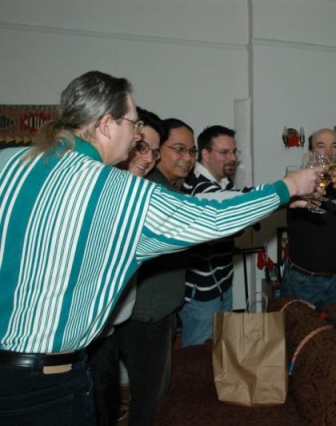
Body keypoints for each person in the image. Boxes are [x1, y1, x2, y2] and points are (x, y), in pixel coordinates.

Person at [0, 70, 318, 425]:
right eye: (133, 125)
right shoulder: (119, 190)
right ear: (106, 125)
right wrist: (288, 187)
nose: (137, 136)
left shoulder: (9, 162)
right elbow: (212, 218)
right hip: (42, 385)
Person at [87, 106, 167, 426]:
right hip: (79, 342)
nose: (148, 159)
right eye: (142, 146)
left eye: (155, 152)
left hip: (109, 332)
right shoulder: (96, 191)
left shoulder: (136, 195)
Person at [116, 117, 198, 425]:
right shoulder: (154, 190)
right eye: (179, 149)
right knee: (150, 401)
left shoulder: (167, 187)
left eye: (191, 151)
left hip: (152, 313)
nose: (187, 157)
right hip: (146, 317)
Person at [179, 125, 249, 347]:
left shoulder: (223, 183)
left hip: (222, 285)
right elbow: (237, 213)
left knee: (220, 352)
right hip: (202, 295)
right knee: (199, 358)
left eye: (234, 151)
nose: (233, 158)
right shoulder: (199, 187)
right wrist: (286, 190)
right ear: (205, 154)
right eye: (224, 152)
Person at [281, 128, 336, 309]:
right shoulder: (299, 183)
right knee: (300, 328)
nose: (329, 152)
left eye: (334, 146)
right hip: (302, 282)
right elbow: (282, 201)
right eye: (321, 146)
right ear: (311, 153)